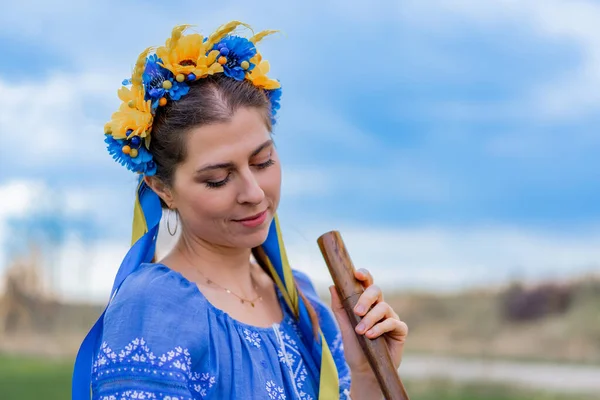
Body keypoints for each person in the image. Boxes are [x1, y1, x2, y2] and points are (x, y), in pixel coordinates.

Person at [72, 21, 408, 400]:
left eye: (263, 161)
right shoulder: (154, 310)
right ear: (162, 188)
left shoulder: (303, 302)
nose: (253, 192)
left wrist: (366, 376)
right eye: (217, 179)